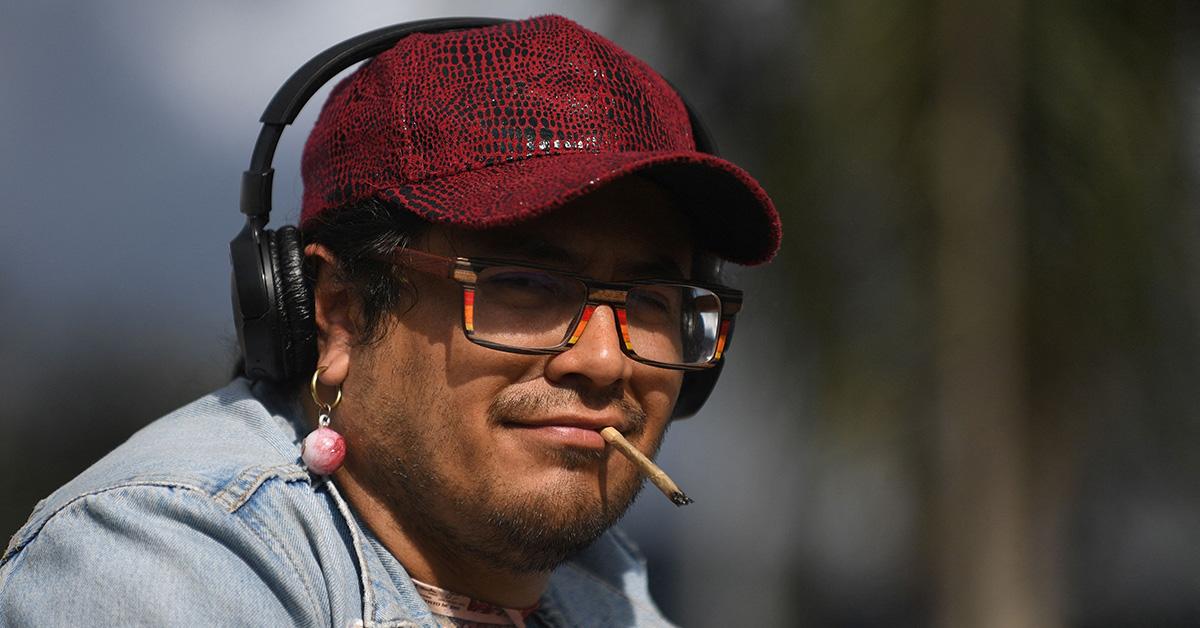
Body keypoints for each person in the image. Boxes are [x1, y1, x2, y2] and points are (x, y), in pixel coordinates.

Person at [0, 14, 779, 627]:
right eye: (525, 285)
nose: (607, 362)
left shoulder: (604, 590)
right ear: (336, 315)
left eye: (649, 301)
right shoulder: (162, 561)